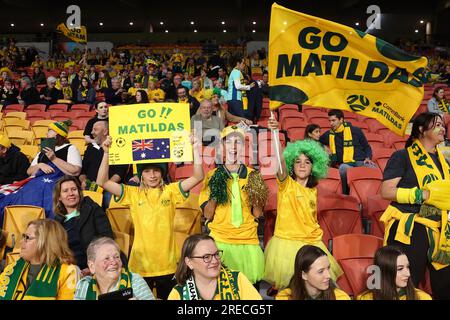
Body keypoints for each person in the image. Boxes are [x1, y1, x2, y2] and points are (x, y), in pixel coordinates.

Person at [97, 134, 204, 299]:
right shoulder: (132, 193)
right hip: (140, 265)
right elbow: (102, 182)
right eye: (147, 171)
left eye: (156, 171)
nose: (152, 175)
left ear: (162, 173)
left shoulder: (172, 191)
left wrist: (195, 148)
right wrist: (106, 153)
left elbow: (198, 176)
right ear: (141, 175)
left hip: (168, 264)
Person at [265, 117, 342, 291]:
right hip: (286, 243)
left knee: (314, 290)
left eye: (307, 162)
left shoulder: (313, 190)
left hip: (311, 241)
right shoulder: (286, 184)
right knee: (290, 290)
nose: (302, 165)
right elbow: (280, 160)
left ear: (314, 167)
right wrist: (275, 133)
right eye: (298, 161)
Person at [380, 112, 450, 300]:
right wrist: (421, 194)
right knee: (404, 287)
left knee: (445, 286)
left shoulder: (445, 162)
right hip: (410, 228)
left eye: (443, 125)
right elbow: (386, 191)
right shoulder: (402, 156)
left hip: (440, 230)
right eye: (437, 125)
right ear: (421, 129)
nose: (442, 128)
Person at [199, 126, 268, 287]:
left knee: (250, 293)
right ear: (222, 146)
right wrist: (217, 190)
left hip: (247, 241)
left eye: (238, 142)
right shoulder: (212, 175)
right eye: (229, 141)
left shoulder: (253, 175)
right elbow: (208, 215)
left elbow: (257, 214)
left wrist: (257, 194)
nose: (233, 146)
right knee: (222, 291)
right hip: (221, 241)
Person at [0, 219, 79, 300]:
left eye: (27, 237)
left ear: (46, 242)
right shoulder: (13, 268)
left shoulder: (67, 272)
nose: (21, 242)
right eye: (23, 237)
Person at [168, 234, 262, 300]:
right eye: (206, 257)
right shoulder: (178, 293)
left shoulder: (237, 279)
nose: (215, 261)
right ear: (189, 262)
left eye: (216, 254)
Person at [53, 175, 114, 273]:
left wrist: (93, 267)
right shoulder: (57, 221)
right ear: (59, 197)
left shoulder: (92, 209)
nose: (71, 193)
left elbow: (107, 239)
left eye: (74, 189)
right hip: (68, 269)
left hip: (94, 266)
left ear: (79, 192)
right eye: (65, 191)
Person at [74, 237, 154, 300]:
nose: (114, 262)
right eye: (106, 258)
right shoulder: (84, 285)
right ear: (92, 266)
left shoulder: (135, 282)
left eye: (116, 257)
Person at [319, 109, 376, 194]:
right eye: (330, 121)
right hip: (346, 164)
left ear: (341, 119)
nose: (331, 123)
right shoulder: (329, 134)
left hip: (361, 161)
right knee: (343, 168)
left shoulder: (356, 130)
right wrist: (324, 147)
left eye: (333, 120)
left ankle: (372, 195)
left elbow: (366, 147)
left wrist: (368, 157)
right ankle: (346, 194)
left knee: (373, 168)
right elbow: (316, 141)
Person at [276, 245, 350, 300]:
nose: (328, 276)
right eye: (320, 271)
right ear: (304, 275)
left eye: (328, 268)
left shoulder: (340, 297)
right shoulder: (285, 297)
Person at [358, 246, 432, 300]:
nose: (408, 274)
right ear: (385, 271)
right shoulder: (365, 298)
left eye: (408, 267)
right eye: (400, 269)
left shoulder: (423, 298)